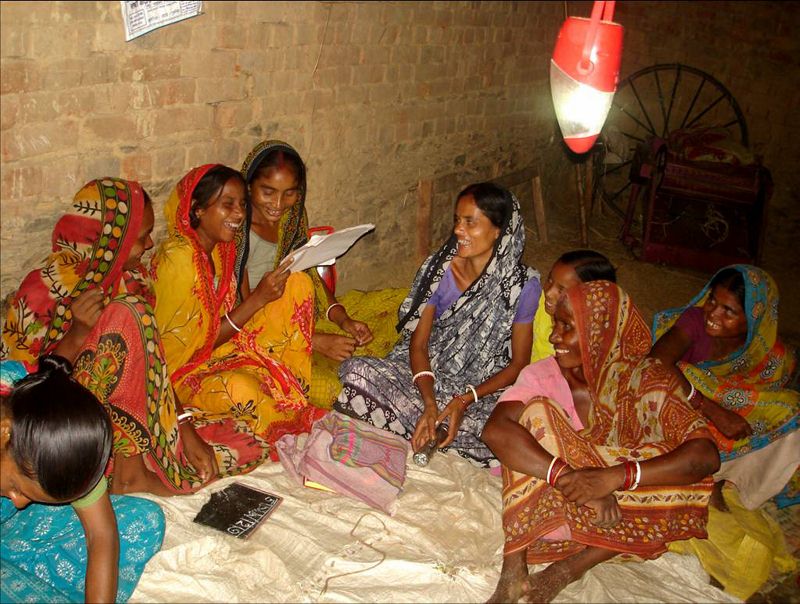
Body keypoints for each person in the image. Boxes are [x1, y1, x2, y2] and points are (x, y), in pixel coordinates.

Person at [1, 177, 265, 496]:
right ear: (108, 242)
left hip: (119, 428)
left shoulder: (131, 279)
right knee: (128, 312)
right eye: (142, 238)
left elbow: (152, 362)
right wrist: (76, 336)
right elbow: (19, 400)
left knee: (242, 442)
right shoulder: (41, 294)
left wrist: (183, 425)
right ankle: (130, 474)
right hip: (67, 440)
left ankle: (131, 465)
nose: (150, 245)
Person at [482, 280, 720, 603]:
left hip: (621, 512)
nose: (554, 337)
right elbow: (495, 430)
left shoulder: (644, 379)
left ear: (600, 332)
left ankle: (570, 569)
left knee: (683, 469)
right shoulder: (544, 375)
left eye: (568, 327)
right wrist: (572, 479)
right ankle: (513, 567)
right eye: (556, 325)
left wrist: (611, 478)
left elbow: (705, 456)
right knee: (534, 416)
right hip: (562, 500)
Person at [334, 182, 540, 468]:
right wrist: (430, 404)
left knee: (502, 429)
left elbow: (518, 365)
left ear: (499, 230)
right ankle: (431, 427)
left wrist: (464, 399)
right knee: (359, 373)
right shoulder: (439, 269)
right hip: (425, 374)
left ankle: (412, 425)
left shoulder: (522, 286)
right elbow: (418, 345)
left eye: (471, 222)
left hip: (480, 389)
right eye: (457, 220)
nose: (458, 230)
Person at [150, 164, 323, 459]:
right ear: (197, 209)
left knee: (296, 284)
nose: (239, 214)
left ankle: (286, 391)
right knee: (242, 389)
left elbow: (227, 318)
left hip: (220, 350)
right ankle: (287, 426)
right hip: (178, 375)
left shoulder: (220, 249)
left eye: (242, 204)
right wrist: (257, 300)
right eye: (227, 205)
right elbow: (187, 349)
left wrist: (263, 298)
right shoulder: (178, 260)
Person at [0, 356, 164, 603]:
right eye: (16, 487)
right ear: (4, 432)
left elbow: (100, 536)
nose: (19, 502)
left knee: (143, 522)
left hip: (13, 533)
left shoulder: (59, 434)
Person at [238, 140, 375, 407]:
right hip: (255, 329)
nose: (278, 204)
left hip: (293, 313)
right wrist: (312, 341)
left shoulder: (292, 217)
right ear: (249, 185)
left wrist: (342, 318)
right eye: (268, 191)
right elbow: (240, 313)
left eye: (289, 193)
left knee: (374, 348)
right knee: (331, 388)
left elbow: (306, 270)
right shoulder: (235, 228)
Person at [650, 265, 799, 510]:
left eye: (728, 310)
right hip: (684, 409)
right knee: (684, 373)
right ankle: (705, 475)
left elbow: (761, 402)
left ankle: (728, 477)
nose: (713, 313)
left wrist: (728, 408)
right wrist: (711, 408)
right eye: (712, 300)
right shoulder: (695, 321)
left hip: (729, 424)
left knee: (790, 409)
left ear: (753, 317)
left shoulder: (769, 355)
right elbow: (655, 362)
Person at [531, 250, 617, 362]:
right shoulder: (541, 300)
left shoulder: (589, 338)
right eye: (550, 280)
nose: (549, 293)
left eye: (561, 290)